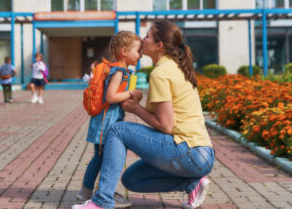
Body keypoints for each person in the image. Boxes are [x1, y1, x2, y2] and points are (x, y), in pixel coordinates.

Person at [72, 20, 215, 209]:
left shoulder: (161, 73)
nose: (142, 39)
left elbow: (166, 126)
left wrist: (135, 109)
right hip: (201, 154)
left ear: (159, 45)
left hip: (190, 152)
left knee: (117, 130)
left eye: (147, 36)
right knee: (132, 180)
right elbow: (168, 120)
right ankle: (192, 184)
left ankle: (101, 201)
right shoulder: (175, 67)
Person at [76, 31, 142, 208]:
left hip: (108, 121)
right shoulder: (118, 71)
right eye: (138, 50)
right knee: (100, 157)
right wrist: (131, 93)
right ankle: (88, 191)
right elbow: (111, 97)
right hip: (105, 123)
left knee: (101, 157)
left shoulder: (122, 70)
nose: (140, 54)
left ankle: (91, 190)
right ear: (125, 51)